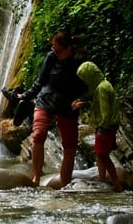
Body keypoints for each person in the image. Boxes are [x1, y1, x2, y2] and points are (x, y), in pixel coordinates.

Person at [16, 30, 86, 187]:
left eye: (56, 46)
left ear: (67, 48)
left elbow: (88, 86)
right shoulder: (51, 57)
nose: (53, 48)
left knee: (70, 145)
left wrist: (82, 100)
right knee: (38, 135)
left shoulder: (79, 62)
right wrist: (25, 96)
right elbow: (40, 81)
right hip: (46, 99)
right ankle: (36, 178)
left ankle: (65, 183)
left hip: (68, 104)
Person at [73, 61, 123, 192]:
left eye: (84, 78)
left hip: (106, 127)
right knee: (101, 155)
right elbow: (98, 104)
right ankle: (103, 180)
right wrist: (83, 103)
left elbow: (105, 112)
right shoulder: (103, 85)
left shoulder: (101, 89)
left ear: (90, 76)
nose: (84, 82)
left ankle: (115, 183)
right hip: (108, 126)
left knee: (103, 155)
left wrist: (102, 129)